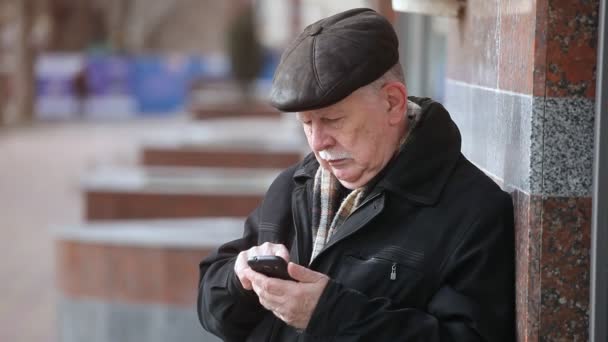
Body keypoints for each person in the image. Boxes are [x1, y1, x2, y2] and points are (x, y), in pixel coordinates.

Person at [197, 8, 515, 341]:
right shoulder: (293, 188)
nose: (318, 144)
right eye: (306, 124)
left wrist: (328, 315)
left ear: (392, 103)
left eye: (333, 120)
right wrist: (238, 279)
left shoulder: (474, 213)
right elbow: (213, 308)